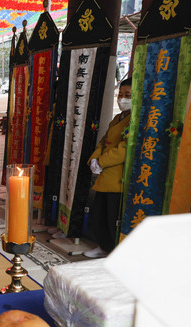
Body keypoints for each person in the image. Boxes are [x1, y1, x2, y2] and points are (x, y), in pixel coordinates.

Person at [84, 78, 132, 259]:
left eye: (127, 95)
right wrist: (94, 159)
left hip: (117, 175)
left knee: (113, 217)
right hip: (104, 174)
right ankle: (103, 246)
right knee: (99, 214)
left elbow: (124, 149)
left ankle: (114, 251)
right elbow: (104, 141)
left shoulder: (133, 120)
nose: (122, 99)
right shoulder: (117, 118)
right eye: (120, 95)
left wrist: (102, 162)